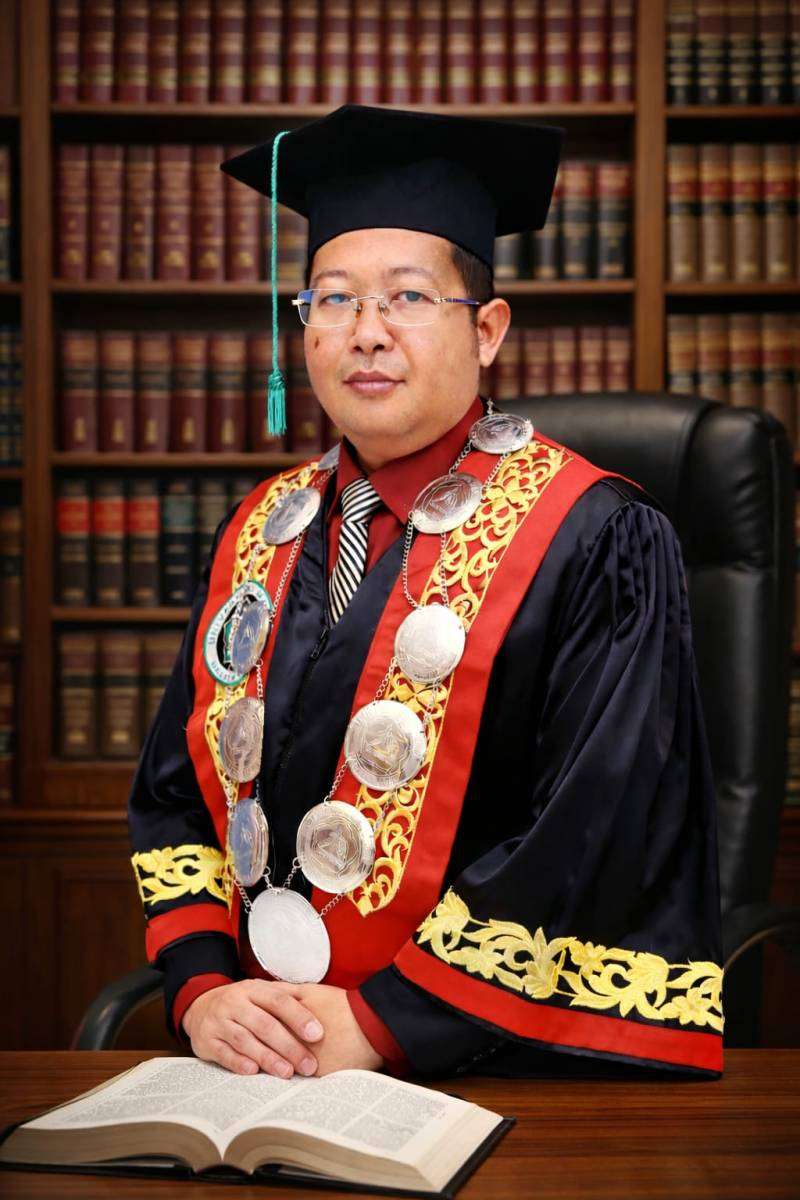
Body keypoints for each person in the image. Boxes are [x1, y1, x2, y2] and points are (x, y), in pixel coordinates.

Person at [128, 104, 724, 1085]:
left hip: (491, 1061)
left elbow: (595, 822)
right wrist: (203, 988)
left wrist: (388, 1023)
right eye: (332, 300)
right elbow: (175, 793)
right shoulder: (256, 533)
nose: (366, 334)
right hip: (257, 1054)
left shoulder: (595, 535)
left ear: (486, 331)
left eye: (407, 297)